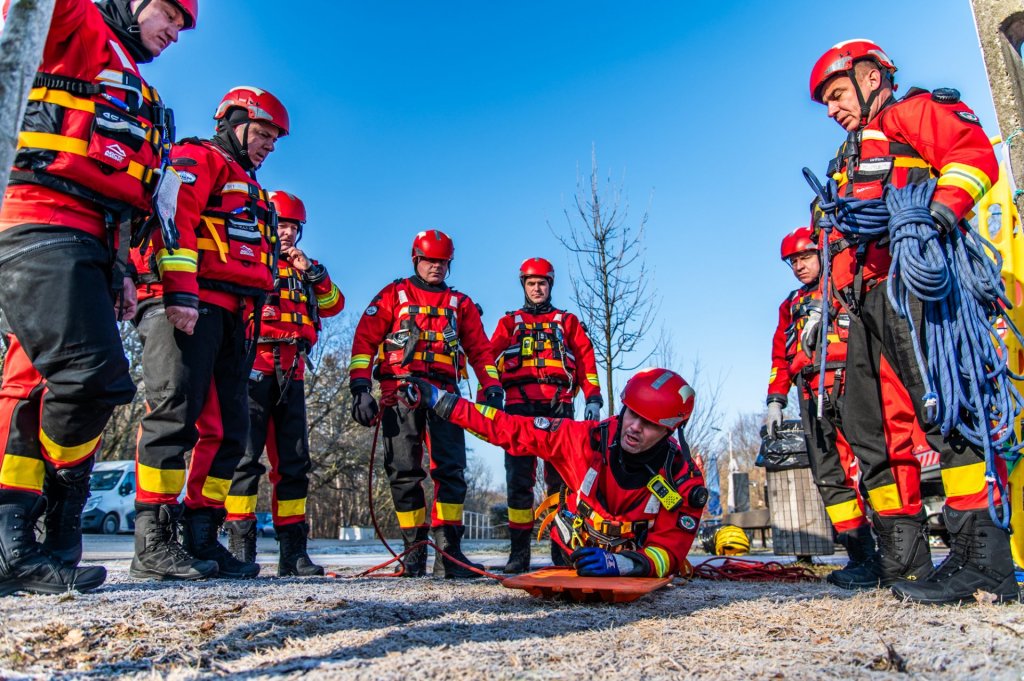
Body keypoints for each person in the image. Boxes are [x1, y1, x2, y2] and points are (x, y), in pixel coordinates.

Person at [0, 0, 197, 596]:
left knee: (34, 384)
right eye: (168, 14)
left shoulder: (136, 85)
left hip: (92, 241)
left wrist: (123, 271)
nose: (174, 32)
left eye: (183, 27)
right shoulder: (77, 24)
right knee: (95, 379)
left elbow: (135, 194)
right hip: (40, 220)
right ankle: (55, 515)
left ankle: (20, 545)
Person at [809, 39, 1016, 603]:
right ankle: (903, 562)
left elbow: (973, 156)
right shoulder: (850, 156)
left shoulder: (912, 113)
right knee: (870, 429)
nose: (832, 110)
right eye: (826, 102)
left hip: (912, 284)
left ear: (871, 76)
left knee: (944, 412)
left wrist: (937, 214)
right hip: (866, 304)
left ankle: (984, 561)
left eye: (836, 94)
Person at [129, 86, 287, 581]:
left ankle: (203, 533)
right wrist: (179, 292)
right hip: (190, 305)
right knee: (174, 414)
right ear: (233, 123)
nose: (268, 145)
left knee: (228, 432)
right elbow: (175, 217)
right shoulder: (198, 157)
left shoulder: (250, 184)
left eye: (274, 140)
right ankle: (151, 542)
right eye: (262, 133)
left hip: (233, 314)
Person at [401, 367, 705, 579]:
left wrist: (622, 564)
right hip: (574, 547)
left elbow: (667, 552)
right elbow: (509, 428)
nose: (635, 427)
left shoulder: (683, 481)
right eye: (632, 414)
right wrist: (441, 400)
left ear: (670, 430)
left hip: (631, 560)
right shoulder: (583, 439)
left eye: (649, 423)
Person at [349, 229, 503, 578]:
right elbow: (364, 341)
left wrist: (491, 386)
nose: (436, 267)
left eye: (443, 262)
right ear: (416, 259)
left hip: (445, 396)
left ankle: (449, 554)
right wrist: (359, 387)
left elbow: (480, 349)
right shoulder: (393, 295)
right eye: (430, 261)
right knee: (404, 473)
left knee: (451, 472)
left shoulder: (460, 304)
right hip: (399, 393)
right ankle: (413, 552)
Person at [221, 190, 344, 576]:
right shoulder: (247, 254)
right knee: (245, 458)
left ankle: (293, 553)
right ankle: (241, 548)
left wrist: (312, 271)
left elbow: (334, 305)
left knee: (293, 462)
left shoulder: (309, 269)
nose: (286, 233)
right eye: (281, 225)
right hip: (252, 366)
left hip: (293, 371)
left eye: (292, 227)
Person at [766, 226, 878, 588]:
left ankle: (900, 549)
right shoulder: (791, 306)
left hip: (853, 382)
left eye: (805, 257)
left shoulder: (845, 289)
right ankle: (861, 555)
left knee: (875, 465)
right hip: (810, 392)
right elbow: (780, 357)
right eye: (792, 261)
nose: (798, 266)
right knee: (828, 475)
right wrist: (775, 400)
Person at [489, 257, 603, 573]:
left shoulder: (567, 322)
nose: (537, 289)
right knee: (518, 482)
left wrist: (593, 398)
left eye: (542, 283)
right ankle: (519, 555)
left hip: (558, 408)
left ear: (550, 285)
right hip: (518, 410)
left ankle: (562, 551)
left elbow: (586, 362)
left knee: (562, 484)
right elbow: (486, 356)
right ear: (523, 286)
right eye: (531, 283)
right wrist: (490, 391)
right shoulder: (509, 323)